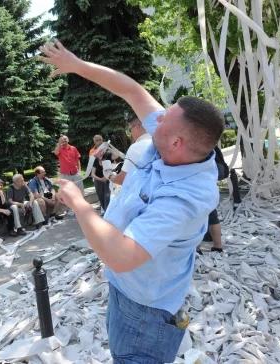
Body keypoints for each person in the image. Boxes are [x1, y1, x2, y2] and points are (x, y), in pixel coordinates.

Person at [41, 40, 224, 362]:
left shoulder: (185, 198)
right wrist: (76, 64)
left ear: (177, 142)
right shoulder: (174, 142)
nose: (155, 118)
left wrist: (79, 204)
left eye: (165, 119)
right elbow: (133, 90)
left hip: (146, 311)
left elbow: (123, 256)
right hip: (128, 290)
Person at [198, 146, 229, 253]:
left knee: (196, 219)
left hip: (195, 188)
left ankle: (196, 248)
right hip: (210, 189)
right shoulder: (211, 144)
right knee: (213, 218)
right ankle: (218, 246)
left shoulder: (192, 147)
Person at [110, 116, 152, 186]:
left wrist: (110, 176)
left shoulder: (136, 147)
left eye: (130, 130)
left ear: (137, 126)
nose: (130, 134)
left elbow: (123, 179)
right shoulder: (158, 140)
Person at [91, 150, 110, 214]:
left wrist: (109, 146)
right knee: (101, 197)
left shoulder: (108, 159)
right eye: (98, 153)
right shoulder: (95, 161)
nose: (100, 154)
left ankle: (107, 212)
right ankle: (105, 211)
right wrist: (100, 179)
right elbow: (92, 174)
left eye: (101, 152)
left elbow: (117, 155)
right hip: (98, 181)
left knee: (107, 196)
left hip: (107, 180)